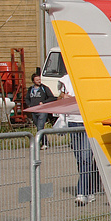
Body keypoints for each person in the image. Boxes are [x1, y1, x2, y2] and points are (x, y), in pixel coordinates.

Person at [57, 75, 100, 206]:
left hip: (87, 122)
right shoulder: (65, 79)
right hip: (72, 122)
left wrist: (72, 99)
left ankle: (82, 193)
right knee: (80, 159)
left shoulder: (89, 78)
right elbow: (60, 98)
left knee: (86, 158)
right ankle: (90, 189)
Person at [26, 72, 56, 147]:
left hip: (42, 111)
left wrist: (44, 102)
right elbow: (27, 98)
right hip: (34, 111)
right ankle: (45, 142)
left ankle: (40, 144)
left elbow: (51, 97)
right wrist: (29, 104)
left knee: (40, 127)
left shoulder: (44, 88)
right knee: (39, 128)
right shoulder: (30, 89)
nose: (39, 81)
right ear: (33, 81)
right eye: (37, 80)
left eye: (39, 79)